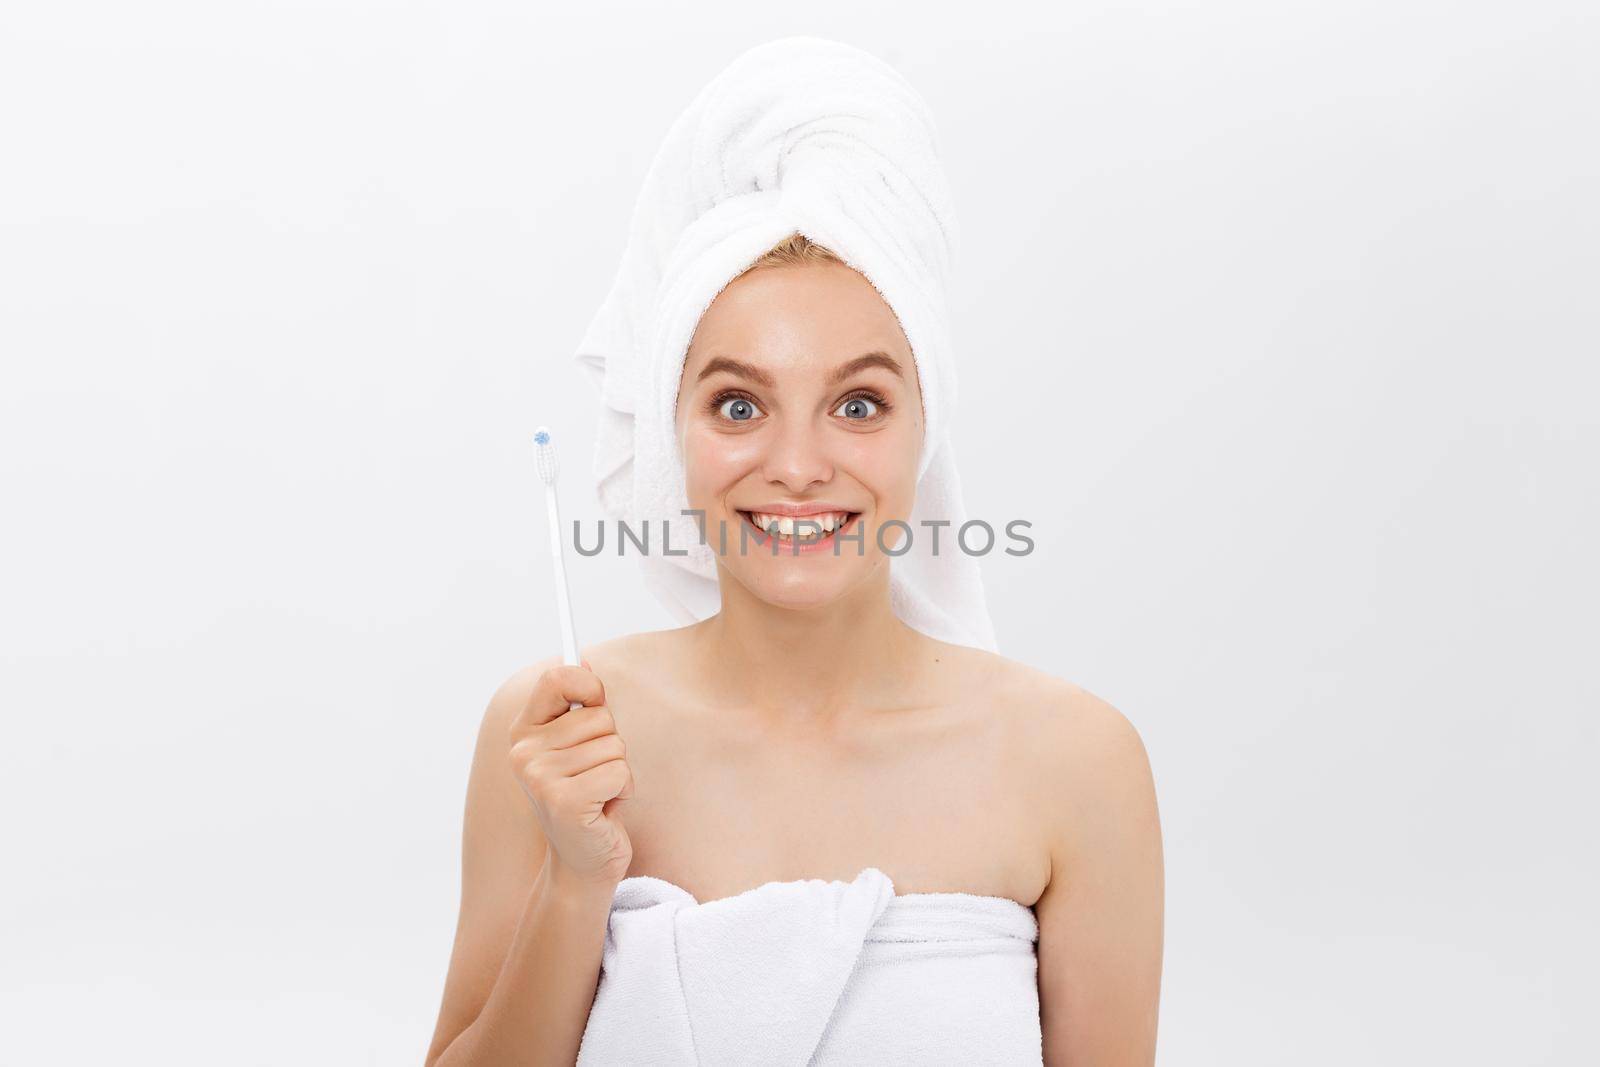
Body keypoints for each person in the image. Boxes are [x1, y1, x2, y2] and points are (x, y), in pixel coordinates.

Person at [423, 233, 1164, 1066]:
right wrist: (572, 886)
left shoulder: (1077, 762)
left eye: (858, 404)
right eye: (740, 406)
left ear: (927, 427)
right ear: (675, 434)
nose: (799, 468)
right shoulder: (559, 733)